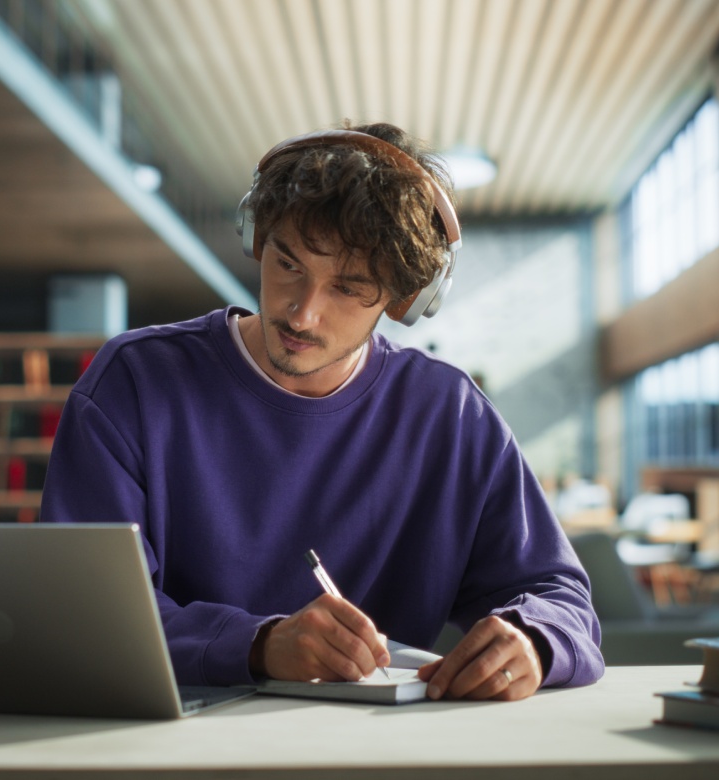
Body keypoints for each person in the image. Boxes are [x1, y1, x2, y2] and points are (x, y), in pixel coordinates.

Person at [42, 122, 604, 701]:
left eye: (348, 287)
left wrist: (532, 642)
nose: (304, 314)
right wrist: (257, 645)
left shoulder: (450, 417)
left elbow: (560, 597)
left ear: (405, 298)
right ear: (256, 236)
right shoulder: (134, 382)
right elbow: (82, 614)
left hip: (371, 754)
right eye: (288, 265)